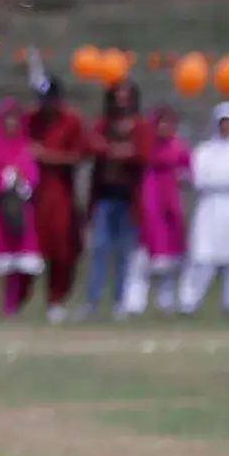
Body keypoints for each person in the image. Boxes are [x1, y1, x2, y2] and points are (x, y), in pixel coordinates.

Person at [81, 81, 151, 320]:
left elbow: (142, 153)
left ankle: (119, 302)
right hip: (104, 196)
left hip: (128, 199)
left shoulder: (140, 126)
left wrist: (119, 151)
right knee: (99, 250)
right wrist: (117, 149)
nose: (122, 101)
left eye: (126, 96)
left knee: (123, 253)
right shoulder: (104, 124)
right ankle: (92, 302)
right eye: (118, 96)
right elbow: (92, 145)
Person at [180, 103, 229, 315]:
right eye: (223, 123)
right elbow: (200, 179)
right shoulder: (204, 150)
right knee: (202, 257)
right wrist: (220, 179)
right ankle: (189, 302)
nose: (226, 127)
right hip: (209, 208)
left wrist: (217, 178)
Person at [0, 98, 42, 318]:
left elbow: (31, 175)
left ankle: (10, 310)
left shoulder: (23, 146)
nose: (12, 124)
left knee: (16, 266)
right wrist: (6, 178)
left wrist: (22, 183)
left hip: (20, 213)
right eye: (8, 119)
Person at [26, 78, 88, 321]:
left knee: (61, 248)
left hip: (60, 193)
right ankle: (20, 301)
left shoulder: (72, 122)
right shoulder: (31, 120)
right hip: (33, 193)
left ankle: (56, 299)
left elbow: (78, 156)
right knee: (28, 249)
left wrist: (46, 157)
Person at [123, 105, 190, 316]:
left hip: (169, 207)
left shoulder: (179, 148)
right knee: (141, 259)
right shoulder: (146, 148)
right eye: (160, 123)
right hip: (148, 205)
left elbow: (189, 172)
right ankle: (134, 303)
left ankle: (166, 302)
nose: (164, 128)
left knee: (169, 260)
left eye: (168, 124)